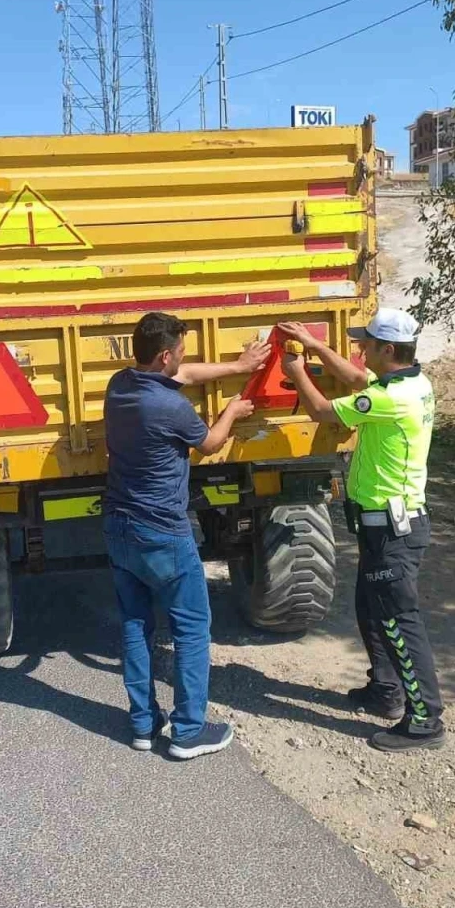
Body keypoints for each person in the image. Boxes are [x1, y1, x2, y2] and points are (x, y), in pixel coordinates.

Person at [103, 311, 269, 760]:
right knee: (192, 628)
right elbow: (211, 445)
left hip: (118, 526)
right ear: (164, 356)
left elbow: (184, 373)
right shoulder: (172, 408)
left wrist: (238, 367)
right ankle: (188, 733)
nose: (184, 359)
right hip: (162, 532)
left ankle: (142, 725)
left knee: (137, 625)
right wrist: (232, 410)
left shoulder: (119, 385)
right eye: (179, 351)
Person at [278, 309, 444, 753]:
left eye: (367, 344)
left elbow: (321, 410)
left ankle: (426, 720)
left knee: (397, 620)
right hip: (384, 526)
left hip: (394, 529)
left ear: (388, 350)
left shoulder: (392, 399)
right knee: (370, 611)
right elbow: (356, 379)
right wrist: (316, 349)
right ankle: (385, 691)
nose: (360, 350)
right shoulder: (410, 383)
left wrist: (296, 369)